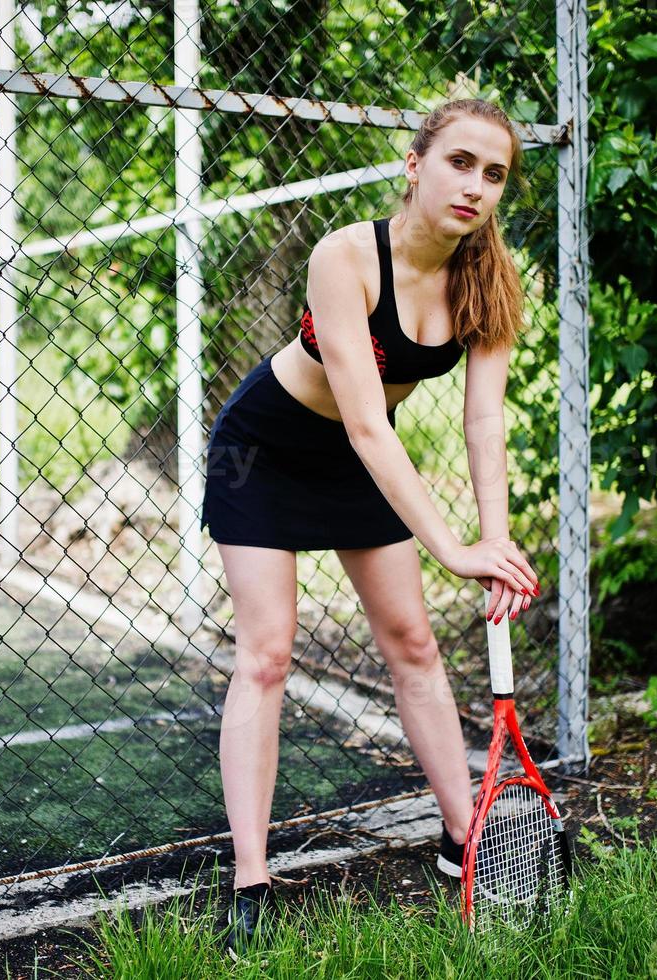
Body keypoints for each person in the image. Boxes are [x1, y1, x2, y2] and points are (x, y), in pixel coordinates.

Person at [199, 97, 543, 949]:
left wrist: (491, 545)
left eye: (493, 174)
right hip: (268, 451)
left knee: (414, 645)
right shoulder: (344, 256)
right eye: (459, 162)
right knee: (267, 653)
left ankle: (462, 839)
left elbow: (481, 422)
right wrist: (451, 547)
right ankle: (251, 882)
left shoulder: (488, 277)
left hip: (360, 459)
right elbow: (363, 421)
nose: (474, 186)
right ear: (414, 164)